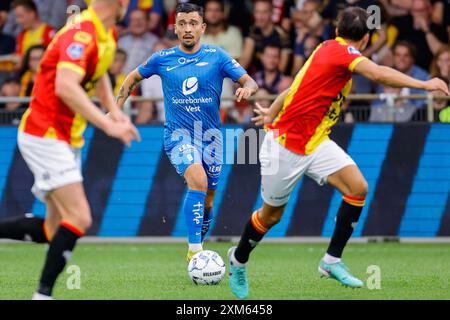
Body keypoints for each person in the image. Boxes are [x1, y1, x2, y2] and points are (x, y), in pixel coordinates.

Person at [227, 6, 450, 299]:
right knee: (271, 217)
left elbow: (295, 85)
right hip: (285, 146)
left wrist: (272, 109)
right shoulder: (343, 54)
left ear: (336, 31)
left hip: (316, 141)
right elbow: (380, 74)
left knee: (357, 188)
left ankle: (331, 261)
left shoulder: (325, 47)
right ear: (367, 39)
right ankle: (239, 259)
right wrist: (424, 83)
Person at [0, 0, 140, 300]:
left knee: (54, 229)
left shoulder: (107, 32)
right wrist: (107, 126)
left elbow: (99, 73)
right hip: (45, 133)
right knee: (79, 218)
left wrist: (115, 112)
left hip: (65, 137)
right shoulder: (81, 33)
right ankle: (42, 296)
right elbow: (65, 85)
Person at [116, 2, 258, 262]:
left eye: (193, 23)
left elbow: (249, 80)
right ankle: (195, 252)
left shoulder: (218, 56)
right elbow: (131, 79)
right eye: (182, 24)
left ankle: (198, 242)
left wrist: (247, 88)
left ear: (202, 27)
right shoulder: (162, 59)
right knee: (198, 180)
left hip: (211, 138)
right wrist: (117, 109)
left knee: (208, 200)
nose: (188, 29)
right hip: (178, 136)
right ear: (175, 28)